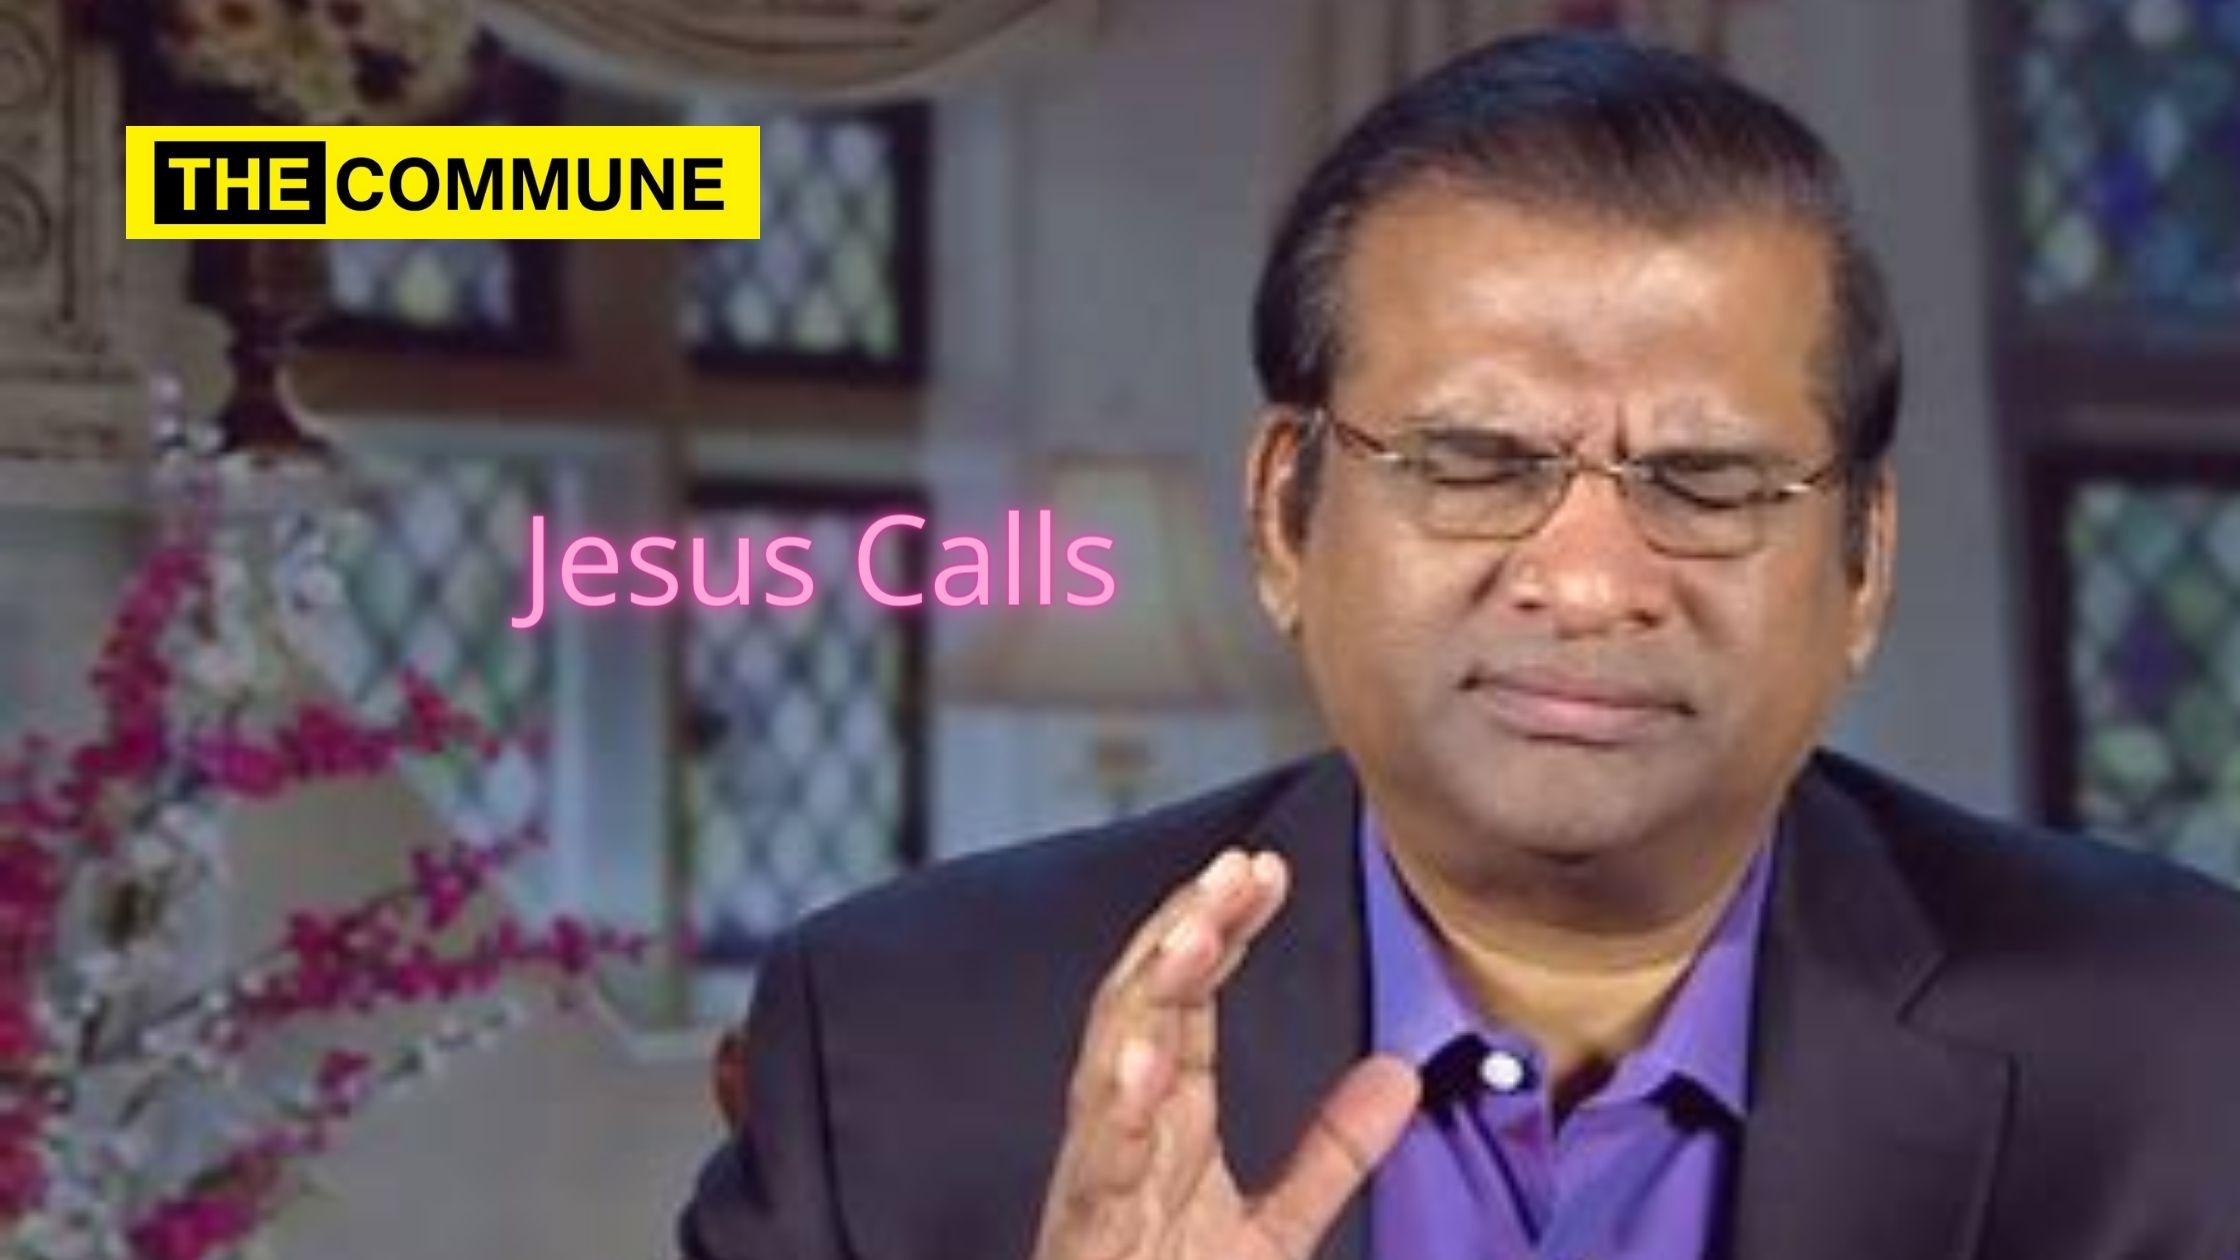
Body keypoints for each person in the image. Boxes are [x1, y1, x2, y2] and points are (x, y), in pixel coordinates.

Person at [676, 32, 2240, 1260]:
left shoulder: (2184, 1049)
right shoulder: (907, 1039)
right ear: (1286, 515)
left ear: (1863, 564)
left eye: (1704, 481)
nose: (1589, 581)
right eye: (1476, 462)